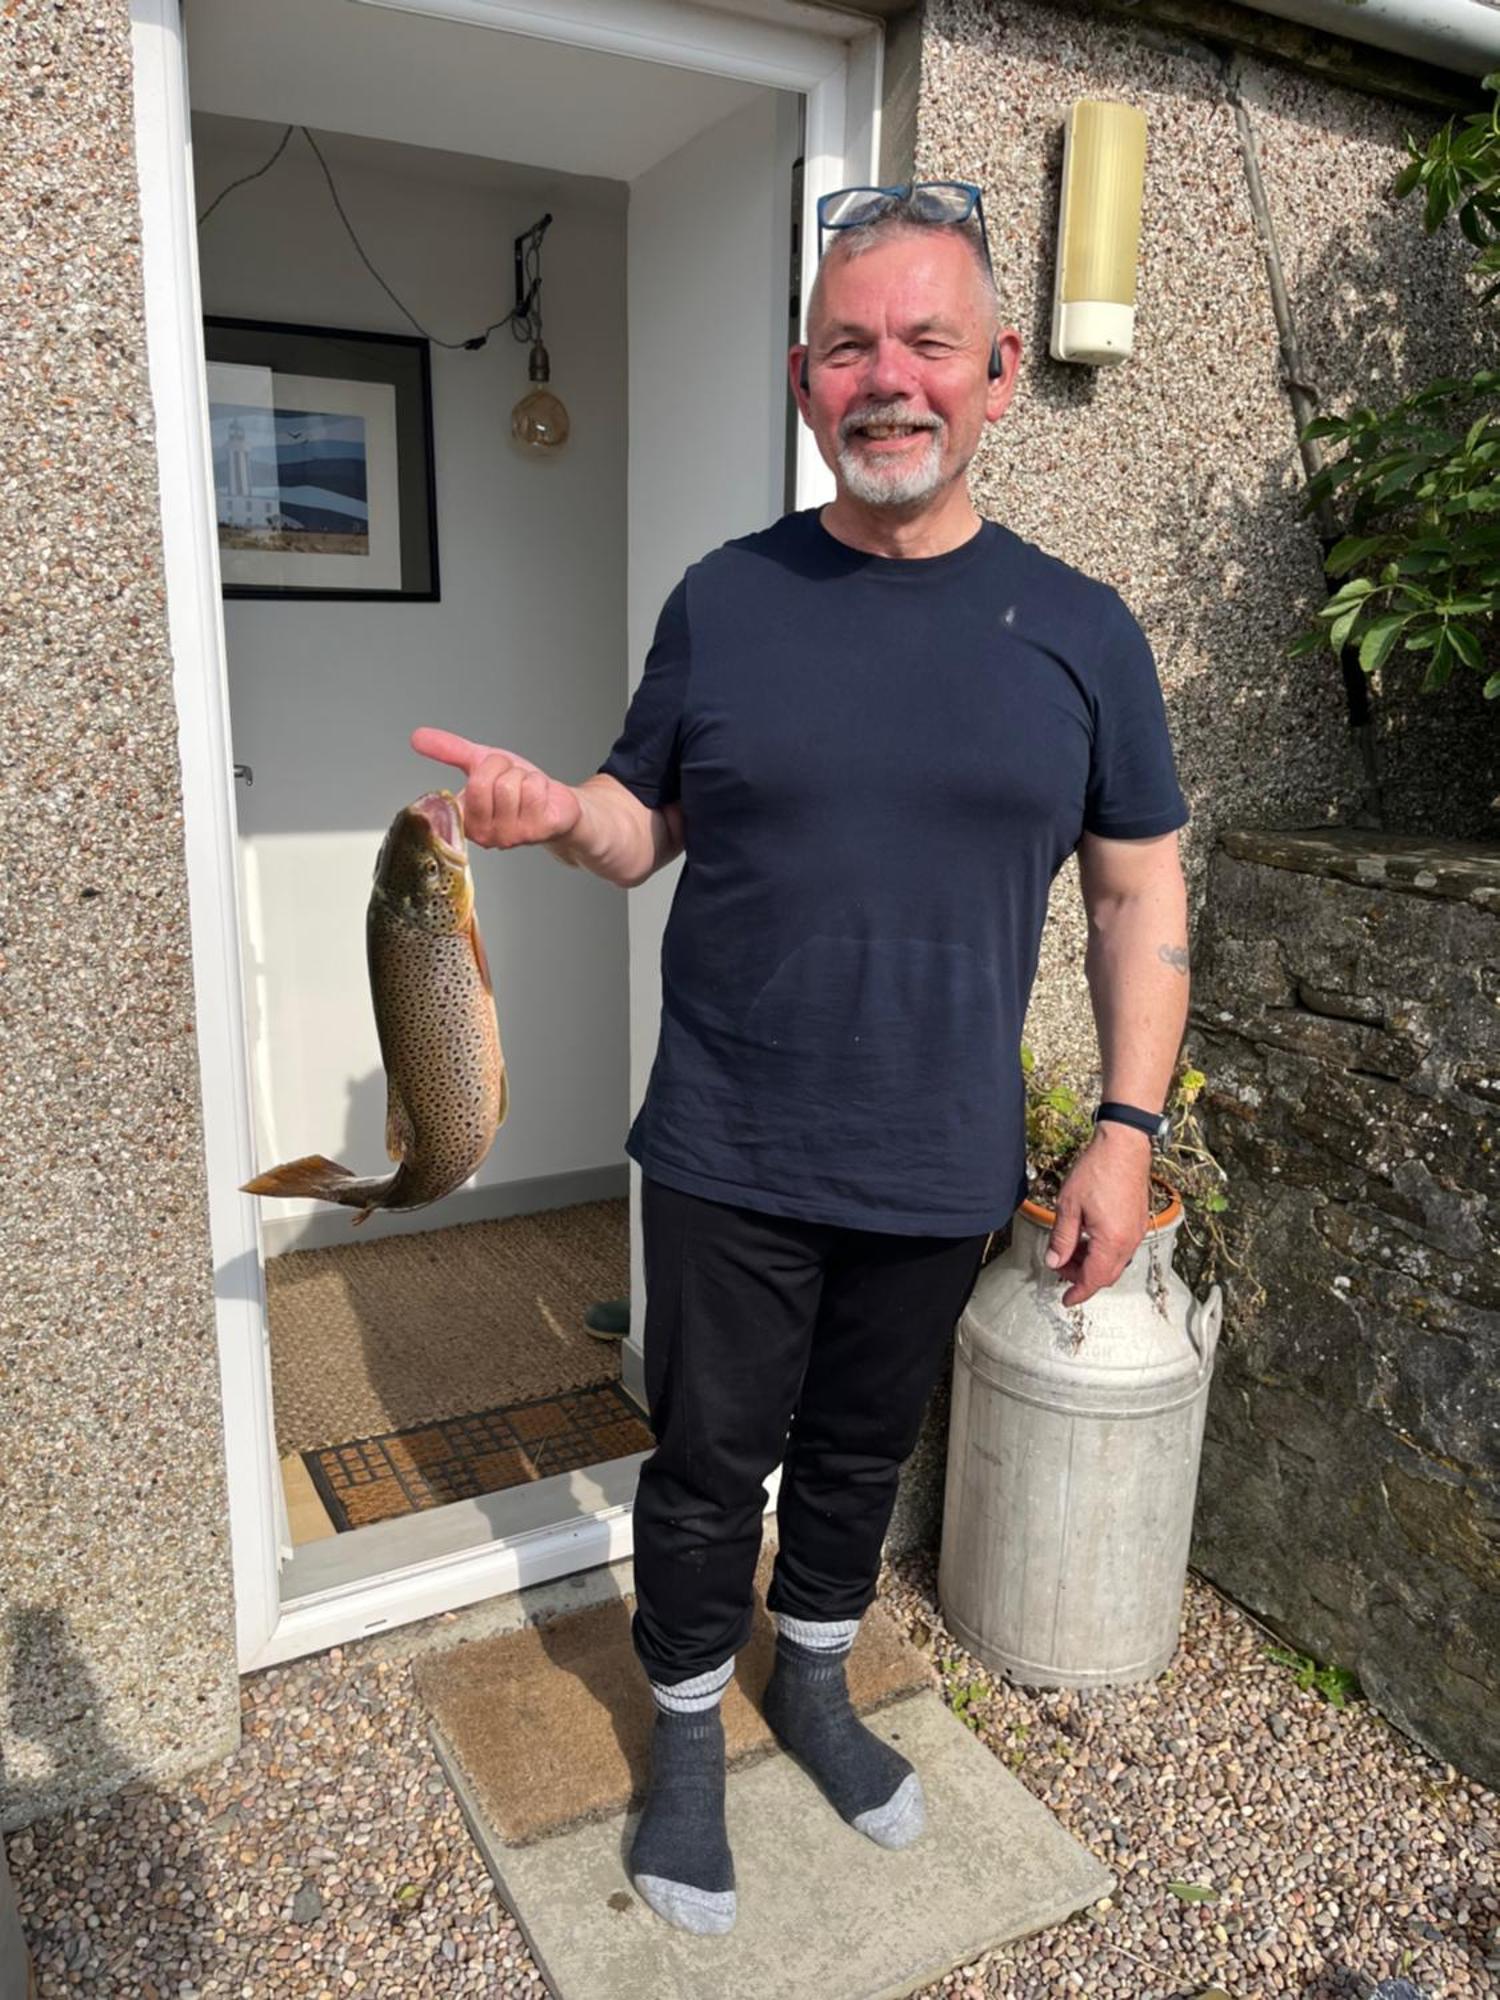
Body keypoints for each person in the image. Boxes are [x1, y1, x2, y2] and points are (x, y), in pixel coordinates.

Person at [413, 182, 1191, 1937]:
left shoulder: (1084, 633)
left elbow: (1141, 889)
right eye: (851, 346)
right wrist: (557, 816)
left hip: (933, 1155)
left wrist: (1124, 1127)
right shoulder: (725, 601)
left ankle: (817, 1679)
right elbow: (641, 818)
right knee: (708, 1461)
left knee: (855, 1460)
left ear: (1000, 370)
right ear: (800, 380)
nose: (888, 378)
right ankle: (685, 1723)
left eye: (926, 341)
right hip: (728, 1145)